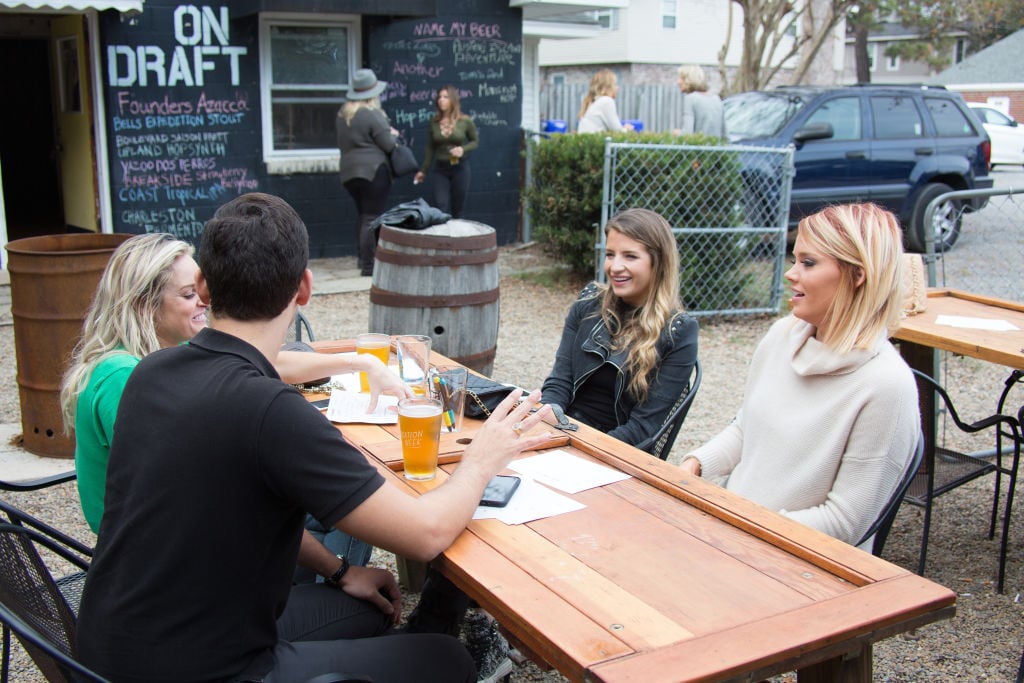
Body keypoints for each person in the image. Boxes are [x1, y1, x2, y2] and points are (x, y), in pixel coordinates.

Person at [76, 193, 555, 683]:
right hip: (211, 669)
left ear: (203, 286)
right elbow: (425, 534)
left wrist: (342, 571)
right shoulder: (271, 411)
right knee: (447, 659)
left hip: (103, 651)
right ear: (304, 288)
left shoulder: (150, 373)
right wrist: (483, 459)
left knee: (366, 606)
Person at [59, 233, 409, 564]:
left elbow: (270, 361)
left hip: (192, 529)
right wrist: (337, 571)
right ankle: (332, 592)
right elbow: (207, 498)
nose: (204, 300)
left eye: (201, 288)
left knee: (343, 486)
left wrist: (359, 362)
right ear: (143, 304)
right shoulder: (124, 377)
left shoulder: (169, 349)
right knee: (350, 492)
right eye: (188, 295)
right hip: (173, 554)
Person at [680, 203, 920, 549]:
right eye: (795, 260)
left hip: (797, 560)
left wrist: (739, 528)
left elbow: (845, 523)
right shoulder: (781, 335)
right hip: (734, 531)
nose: (790, 274)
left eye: (808, 263)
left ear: (857, 275)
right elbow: (748, 428)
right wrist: (696, 464)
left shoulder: (886, 385)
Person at [541, 208, 698, 452]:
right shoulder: (588, 304)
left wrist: (577, 447)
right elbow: (559, 383)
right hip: (562, 432)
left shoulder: (678, 332)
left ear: (658, 263)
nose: (615, 267)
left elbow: (643, 429)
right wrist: (547, 419)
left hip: (614, 452)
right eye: (610, 254)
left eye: (630, 256)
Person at [337, 68, 399, 276]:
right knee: (372, 217)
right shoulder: (372, 114)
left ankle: (362, 259)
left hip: (349, 173)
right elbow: (388, 144)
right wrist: (393, 135)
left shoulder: (343, 115)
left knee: (363, 215)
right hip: (373, 171)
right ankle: (369, 267)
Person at [413, 85, 479, 218]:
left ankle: (457, 232)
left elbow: (475, 141)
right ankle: (443, 232)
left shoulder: (465, 121)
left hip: (460, 167)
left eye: (445, 97)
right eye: (439, 97)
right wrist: (423, 171)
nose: (441, 100)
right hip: (441, 169)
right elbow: (430, 147)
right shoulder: (434, 121)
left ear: (453, 100)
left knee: (457, 208)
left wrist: (463, 149)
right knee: (440, 205)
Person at [674, 64, 725, 138]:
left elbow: (687, 134)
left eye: (682, 78)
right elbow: (725, 134)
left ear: (689, 80)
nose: (678, 82)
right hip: (715, 144)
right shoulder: (716, 99)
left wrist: (676, 133)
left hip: (698, 144)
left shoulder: (690, 99)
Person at [576, 69, 634, 134]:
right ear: (607, 87)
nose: (617, 88)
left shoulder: (594, 102)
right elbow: (617, 130)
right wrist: (627, 129)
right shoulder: (606, 101)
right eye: (615, 84)